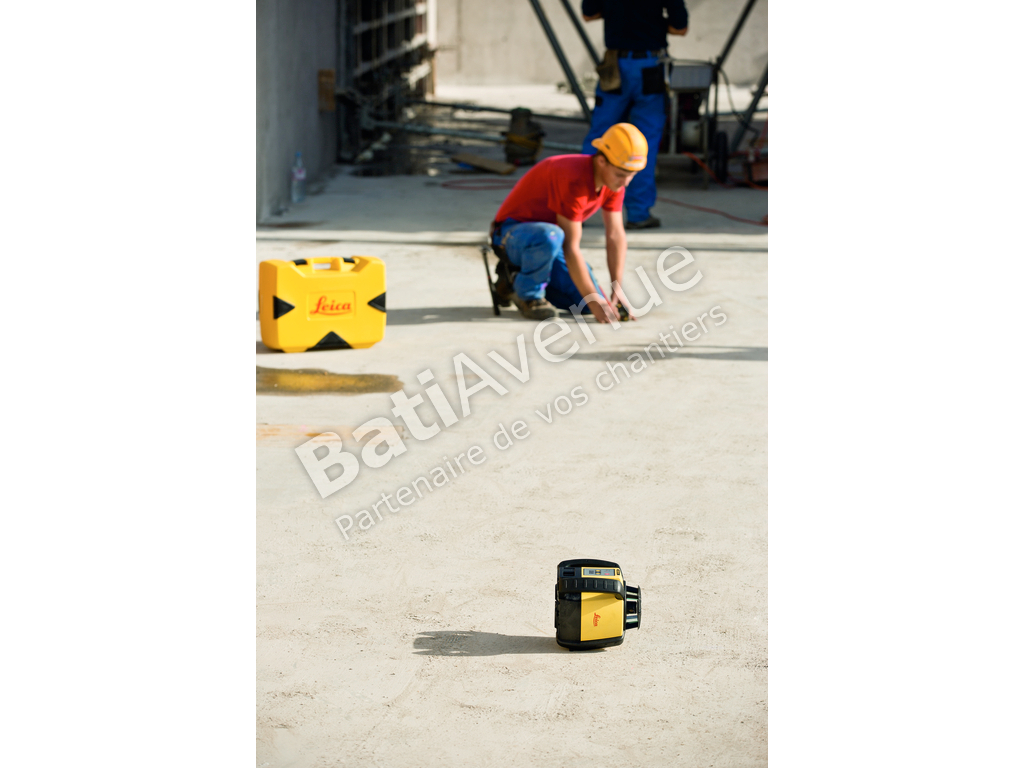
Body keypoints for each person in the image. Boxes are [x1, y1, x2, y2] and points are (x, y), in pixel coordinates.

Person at [490, 123, 646, 322]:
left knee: (584, 305)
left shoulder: (612, 182)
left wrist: (616, 290)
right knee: (552, 236)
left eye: (632, 175)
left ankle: (512, 282)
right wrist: (594, 299)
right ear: (601, 161)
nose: (625, 183)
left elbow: (615, 235)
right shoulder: (573, 178)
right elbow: (570, 247)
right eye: (621, 175)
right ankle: (528, 295)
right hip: (511, 236)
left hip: (549, 244)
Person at [580, 0, 689, 229]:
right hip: (649, 66)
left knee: (599, 138)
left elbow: (588, 14)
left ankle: (578, 206)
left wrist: (618, 15)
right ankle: (639, 213)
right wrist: (653, 22)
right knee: (644, 142)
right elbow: (680, 28)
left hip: (616, 65)